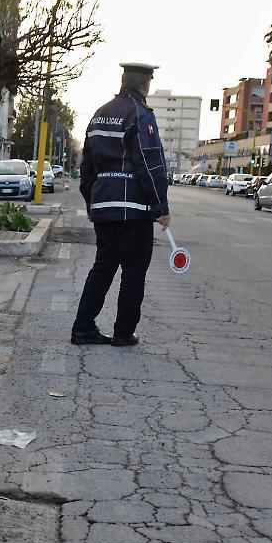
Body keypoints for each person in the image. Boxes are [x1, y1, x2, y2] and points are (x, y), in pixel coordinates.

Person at [71, 62, 171, 347]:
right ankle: (123, 333)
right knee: (133, 270)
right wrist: (160, 206)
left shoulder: (100, 114)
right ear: (145, 84)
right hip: (134, 208)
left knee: (102, 267)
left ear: (124, 80)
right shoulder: (140, 114)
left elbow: (86, 164)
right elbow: (149, 163)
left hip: (105, 204)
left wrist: (92, 202)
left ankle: (83, 328)